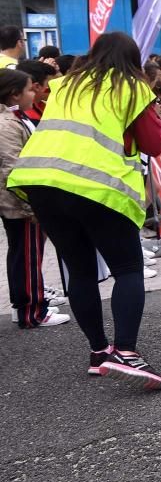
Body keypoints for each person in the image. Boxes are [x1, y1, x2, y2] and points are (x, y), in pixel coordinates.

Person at [7, 32, 161, 389]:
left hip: (41, 181)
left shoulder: (64, 84)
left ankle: (99, 352)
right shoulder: (131, 88)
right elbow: (155, 144)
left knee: (80, 271)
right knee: (127, 268)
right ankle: (126, 351)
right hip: (95, 184)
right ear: (132, 61)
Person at [0, 68, 70, 328]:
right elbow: (13, 169)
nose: (35, 93)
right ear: (15, 94)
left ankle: (28, 304)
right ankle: (32, 312)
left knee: (23, 254)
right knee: (27, 255)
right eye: (30, 89)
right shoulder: (6, 125)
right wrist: (31, 203)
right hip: (20, 204)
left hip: (19, 202)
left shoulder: (11, 118)